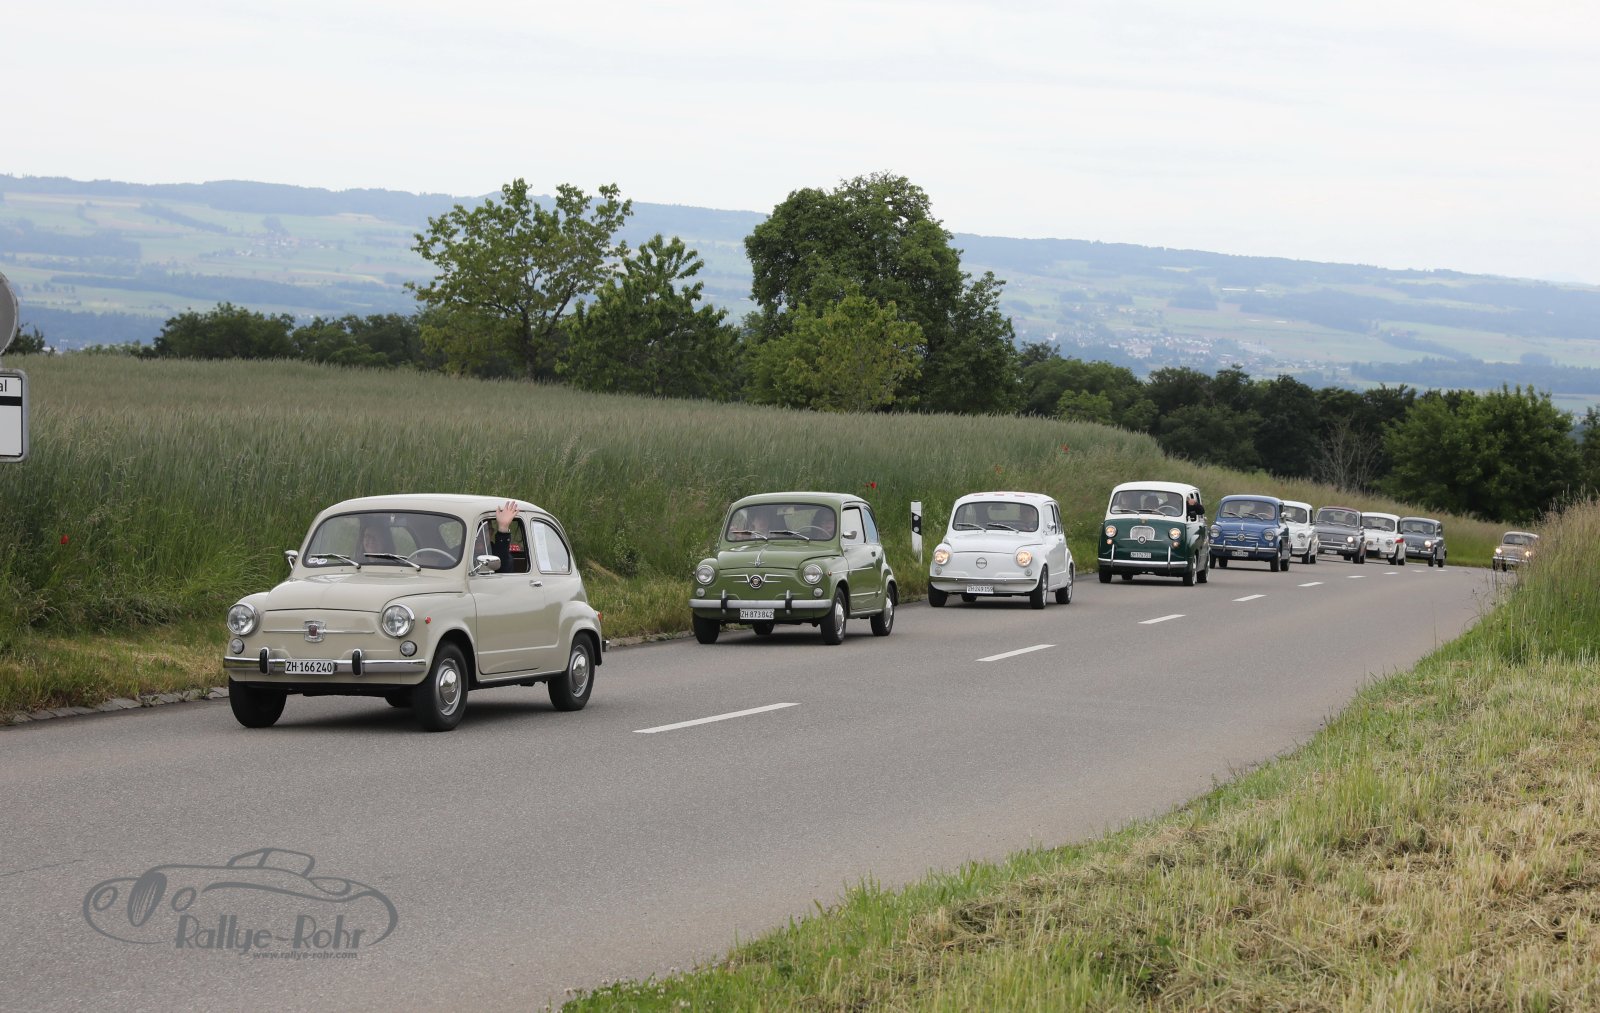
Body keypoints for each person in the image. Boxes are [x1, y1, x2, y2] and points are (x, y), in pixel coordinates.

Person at [488, 500, 529, 573]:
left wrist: (503, 527)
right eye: (477, 530)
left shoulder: (494, 551)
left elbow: (504, 567)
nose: (480, 536)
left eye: (485, 530)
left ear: (491, 532)